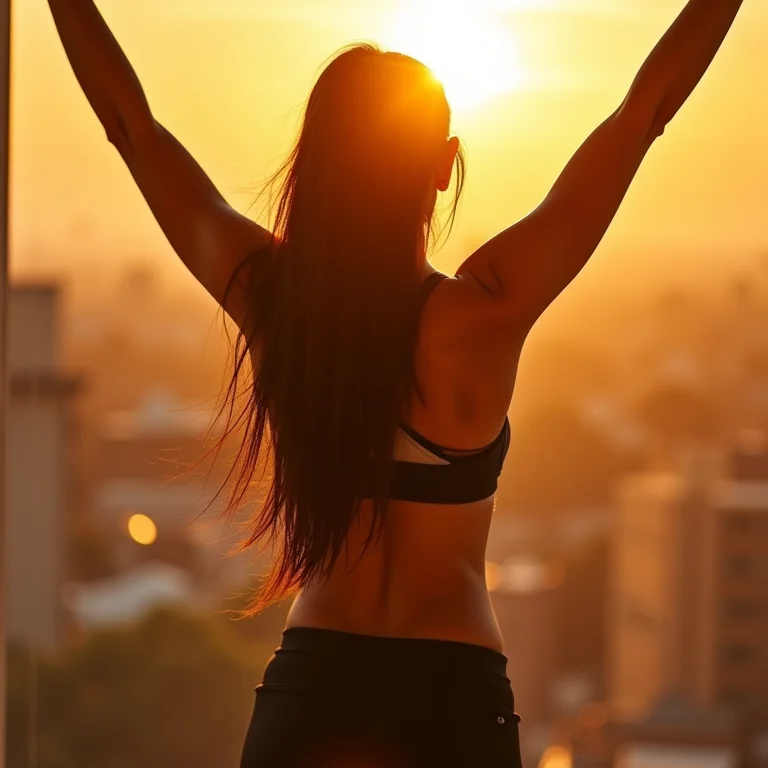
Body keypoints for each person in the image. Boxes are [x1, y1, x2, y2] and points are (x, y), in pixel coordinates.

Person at [47, 1, 747, 765]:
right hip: (450, 698)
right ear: (444, 166)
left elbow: (132, 128)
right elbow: (640, 115)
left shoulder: (278, 306)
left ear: (322, 163)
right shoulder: (488, 310)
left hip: (314, 689)